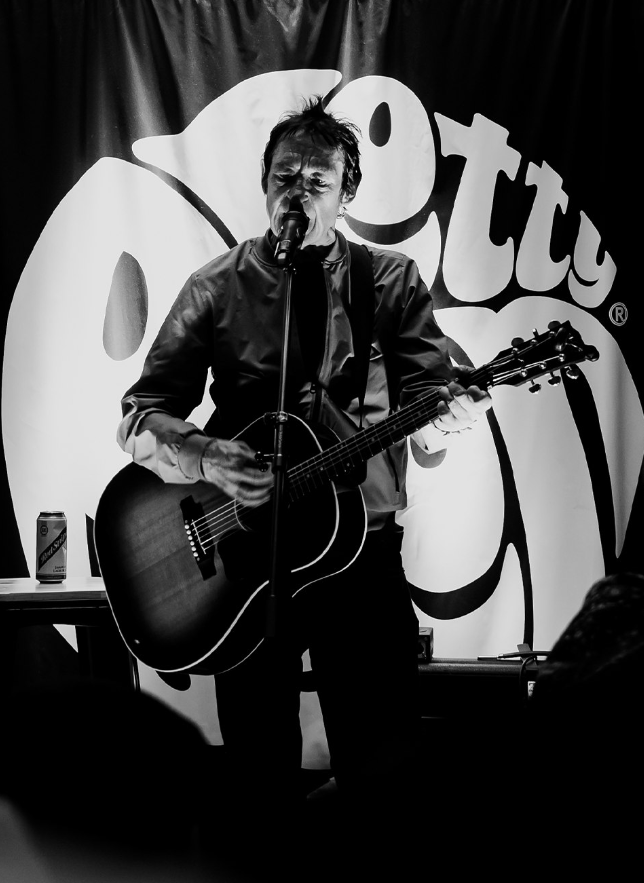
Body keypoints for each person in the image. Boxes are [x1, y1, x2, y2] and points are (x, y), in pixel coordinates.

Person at [117, 96, 492, 863]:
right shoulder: (216, 285)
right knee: (257, 781)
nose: (299, 190)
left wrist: (452, 408)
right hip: (246, 567)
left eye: (318, 179)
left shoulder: (387, 279)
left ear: (348, 193)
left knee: (381, 769)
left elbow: (429, 394)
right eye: (285, 175)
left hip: (361, 555)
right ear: (263, 185)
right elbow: (142, 413)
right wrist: (206, 457)